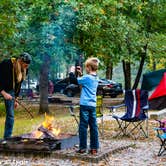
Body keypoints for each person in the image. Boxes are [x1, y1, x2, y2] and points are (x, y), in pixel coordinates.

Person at [69, 57, 100, 155]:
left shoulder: (87, 78)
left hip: (85, 105)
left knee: (83, 126)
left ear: (89, 68)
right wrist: (80, 73)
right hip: (92, 106)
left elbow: (73, 81)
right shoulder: (96, 78)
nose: (86, 69)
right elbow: (84, 82)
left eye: (86, 67)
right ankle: (94, 148)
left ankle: (82, 148)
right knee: (93, 126)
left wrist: (71, 71)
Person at [0, 52, 32, 139]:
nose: (26, 67)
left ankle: (7, 137)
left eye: (27, 66)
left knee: (10, 114)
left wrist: (16, 98)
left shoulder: (24, 69)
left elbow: (18, 84)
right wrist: (3, 93)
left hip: (10, 90)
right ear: (20, 61)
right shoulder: (6, 64)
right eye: (25, 65)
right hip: (2, 87)